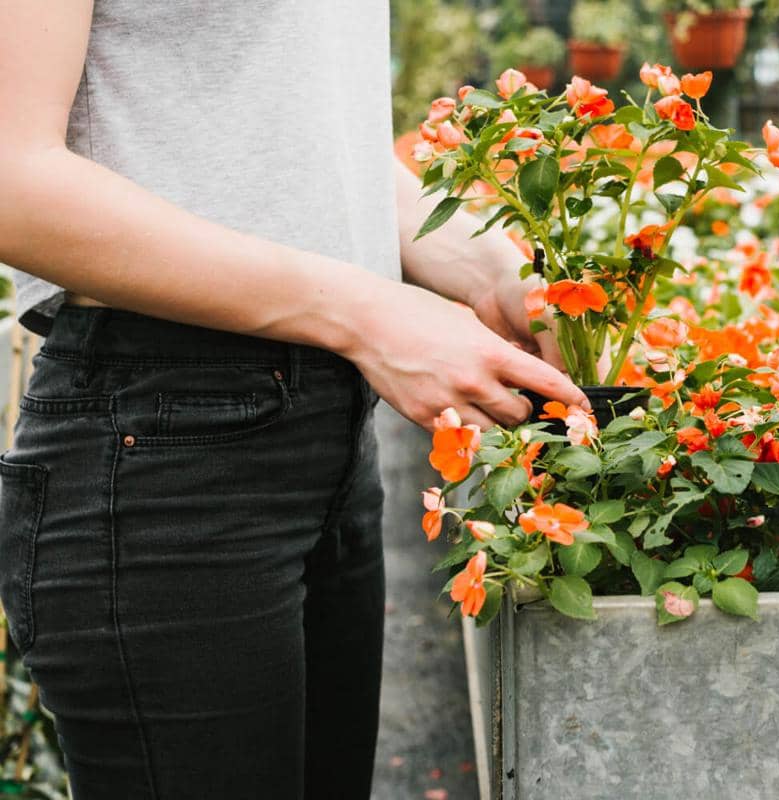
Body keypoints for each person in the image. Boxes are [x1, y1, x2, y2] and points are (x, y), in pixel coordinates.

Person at [0, 2, 586, 798]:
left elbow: (289, 123)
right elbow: (11, 177)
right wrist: (368, 313)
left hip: (324, 427)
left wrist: (490, 269)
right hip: (162, 452)